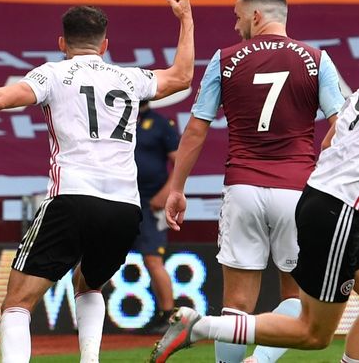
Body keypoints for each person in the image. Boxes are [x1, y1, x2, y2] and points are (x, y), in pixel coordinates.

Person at [0, 0, 195, 363]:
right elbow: (182, 76)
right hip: (126, 208)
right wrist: (186, 18)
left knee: (17, 302)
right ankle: (90, 360)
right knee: (89, 284)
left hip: (73, 198)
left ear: (62, 43)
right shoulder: (130, 78)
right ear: (105, 45)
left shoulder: (52, 74)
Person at [162, 0, 344, 363]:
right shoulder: (317, 59)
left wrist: (177, 187)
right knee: (296, 300)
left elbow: (195, 130)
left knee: (236, 304)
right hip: (298, 192)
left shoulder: (225, 59)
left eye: (237, 15)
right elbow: (340, 130)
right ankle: (259, 362)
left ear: (256, 15)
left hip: (243, 187)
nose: (235, 24)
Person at [150, 88, 359, 363]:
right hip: (342, 208)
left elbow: (329, 143)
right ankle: (200, 327)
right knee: (313, 333)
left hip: (320, 196)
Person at [133, 101, 180, 333]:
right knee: (100, 256)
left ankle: (168, 314)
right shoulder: (114, 119)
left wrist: (166, 193)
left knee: (153, 259)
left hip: (150, 203)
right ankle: (86, 315)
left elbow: (180, 162)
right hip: (121, 198)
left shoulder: (161, 124)